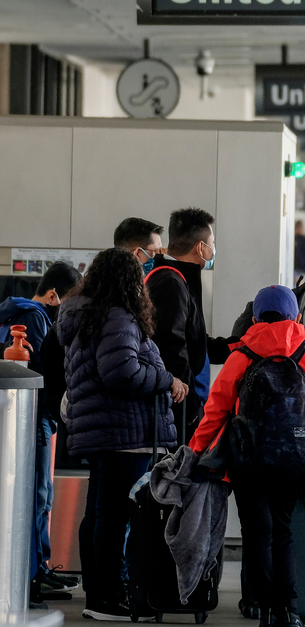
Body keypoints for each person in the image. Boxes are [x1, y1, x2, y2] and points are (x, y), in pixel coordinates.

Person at [189, 285, 305, 627]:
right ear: (297, 317)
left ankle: (260, 605)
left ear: (256, 317)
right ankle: (287, 609)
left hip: (248, 460)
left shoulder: (241, 355)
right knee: (283, 530)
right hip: (296, 458)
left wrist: (196, 451)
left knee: (256, 532)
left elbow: (215, 411)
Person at [56, 248, 185, 621]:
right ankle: (105, 598)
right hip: (122, 432)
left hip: (102, 430)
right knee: (114, 518)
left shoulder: (88, 314)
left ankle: (98, 594)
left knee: (101, 515)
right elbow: (121, 372)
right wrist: (166, 378)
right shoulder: (117, 315)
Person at [0, 262, 82, 603]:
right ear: (53, 295)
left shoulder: (15, 311)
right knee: (37, 496)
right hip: (34, 418)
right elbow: (44, 371)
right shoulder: (35, 318)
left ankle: (38, 570)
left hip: (28, 419)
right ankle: (31, 577)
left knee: (36, 495)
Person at [146, 207, 231, 442]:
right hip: (176, 409)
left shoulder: (180, 278)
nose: (213, 250)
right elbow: (172, 347)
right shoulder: (170, 282)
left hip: (181, 406)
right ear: (200, 247)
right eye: (212, 243)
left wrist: (237, 346)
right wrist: (192, 411)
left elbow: (195, 340)